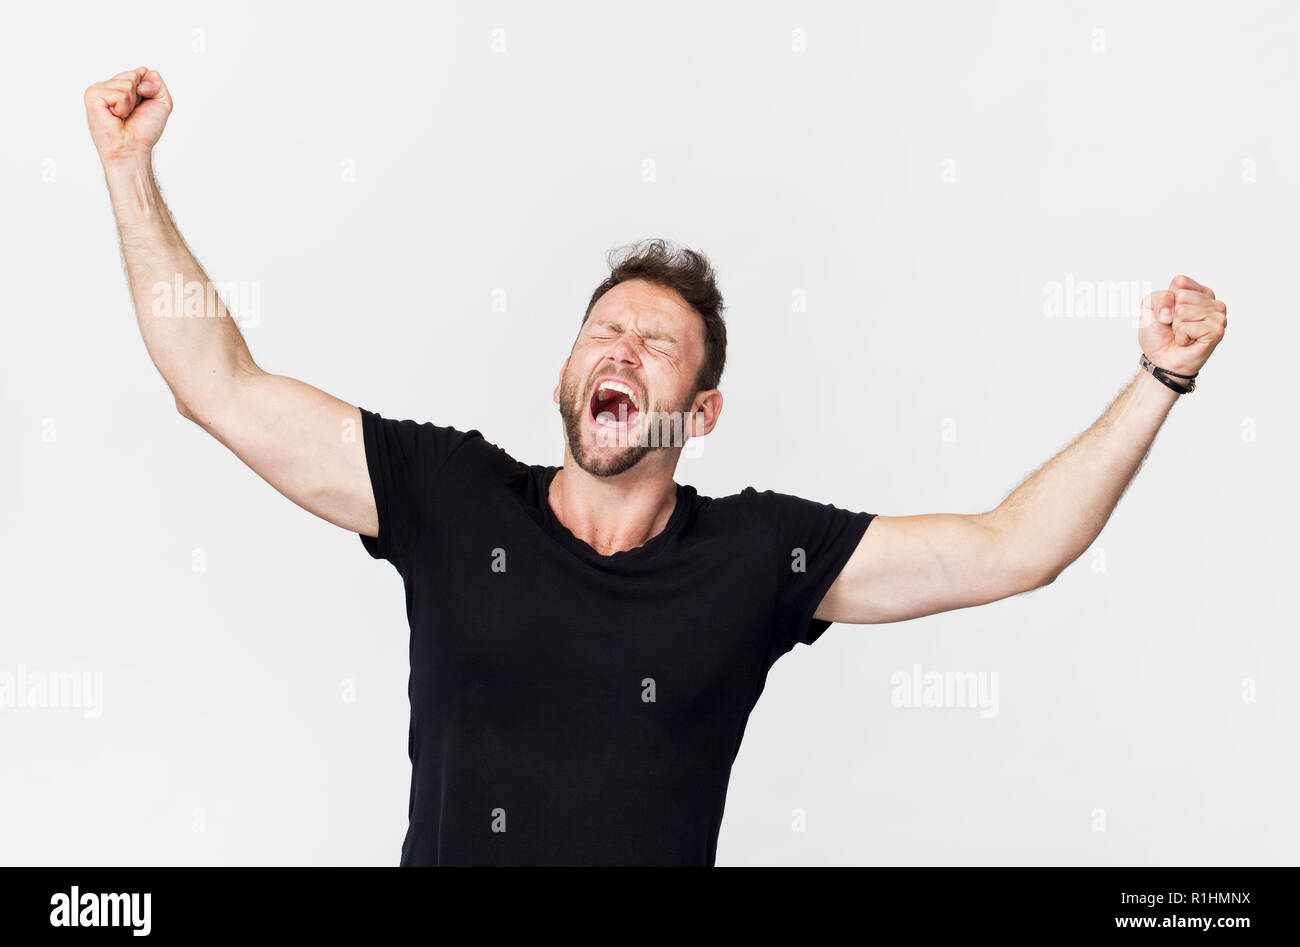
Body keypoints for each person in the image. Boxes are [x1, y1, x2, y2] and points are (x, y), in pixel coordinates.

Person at [84, 67, 1229, 866]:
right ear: (564, 379)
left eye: (656, 343)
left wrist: (1157, 379)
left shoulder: (757, 555)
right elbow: (218, 387)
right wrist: (129, 169)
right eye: (601, 332)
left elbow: (1013, 548)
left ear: (701, 410)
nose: (620, 349)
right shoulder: (450, 497)